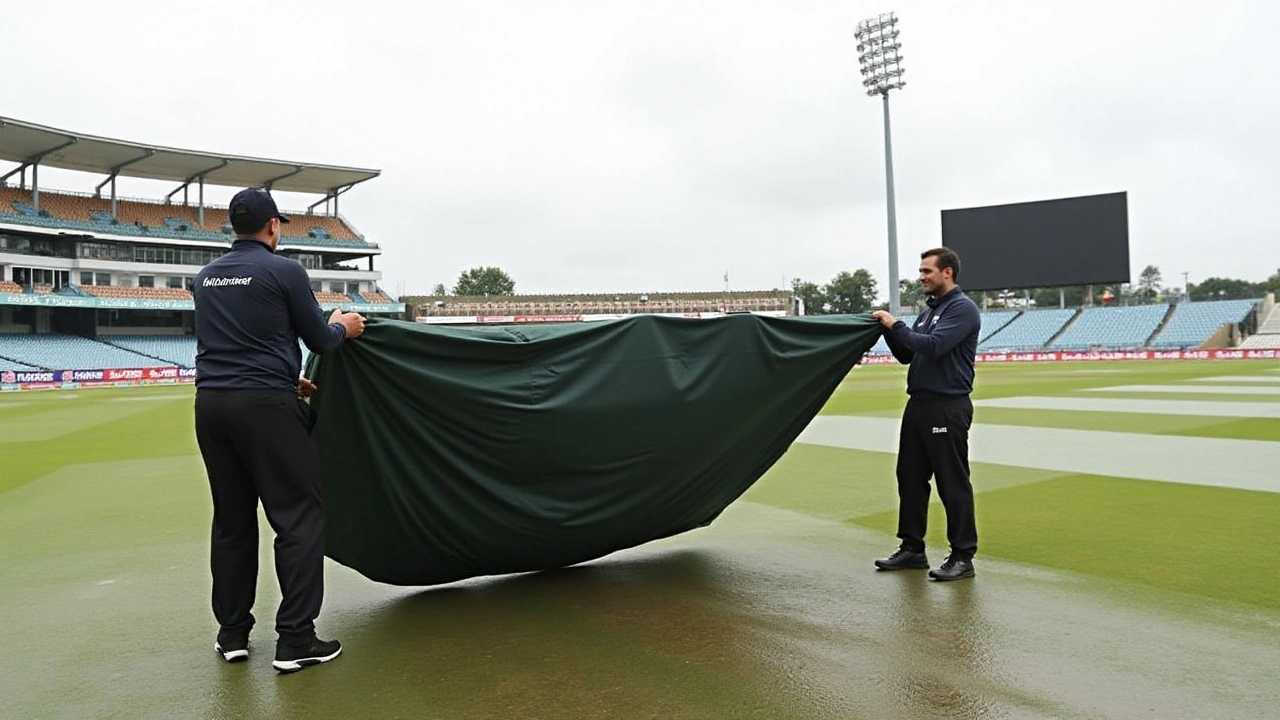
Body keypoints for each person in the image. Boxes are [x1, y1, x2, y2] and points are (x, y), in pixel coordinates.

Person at [192, 187, 366, 672]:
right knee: (299, 518)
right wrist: (342, 324)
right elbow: (322, 340)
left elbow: (237, 342)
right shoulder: (284, 270)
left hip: (212, 406)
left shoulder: (204, 278)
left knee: (231, 521)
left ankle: (232, 635)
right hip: (267, 408)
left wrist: (284, 376)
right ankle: (296, 640)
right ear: (273, 226)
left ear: (235, 226)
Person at [870, 247, 981, 581]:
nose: (921, 277)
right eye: (920, 272)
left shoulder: (962, 309)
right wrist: (887, 331)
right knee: (910, 478)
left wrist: (897, 323)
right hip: (918, 405)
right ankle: (912, 548)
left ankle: (963, 556)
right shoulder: (930, 310)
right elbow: (907, 353)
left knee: (952, 481)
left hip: (947, 406)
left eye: (926, 271)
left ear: (947, 272)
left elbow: (933, 346)